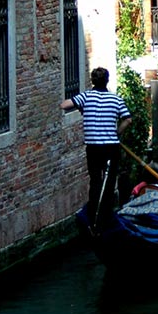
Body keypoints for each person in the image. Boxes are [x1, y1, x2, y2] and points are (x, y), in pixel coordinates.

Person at [60, 67, 132, 227]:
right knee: (109, 181)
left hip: (93, 148)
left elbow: (64, 105)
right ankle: (105, 217)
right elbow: (128, 120)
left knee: (95, 181)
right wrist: (117, 132)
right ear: (107, 80)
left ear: (92, 81)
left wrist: (80, 105)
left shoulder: (85, 97)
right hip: (111, 146)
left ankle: (93, 217)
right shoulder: (116, 99)